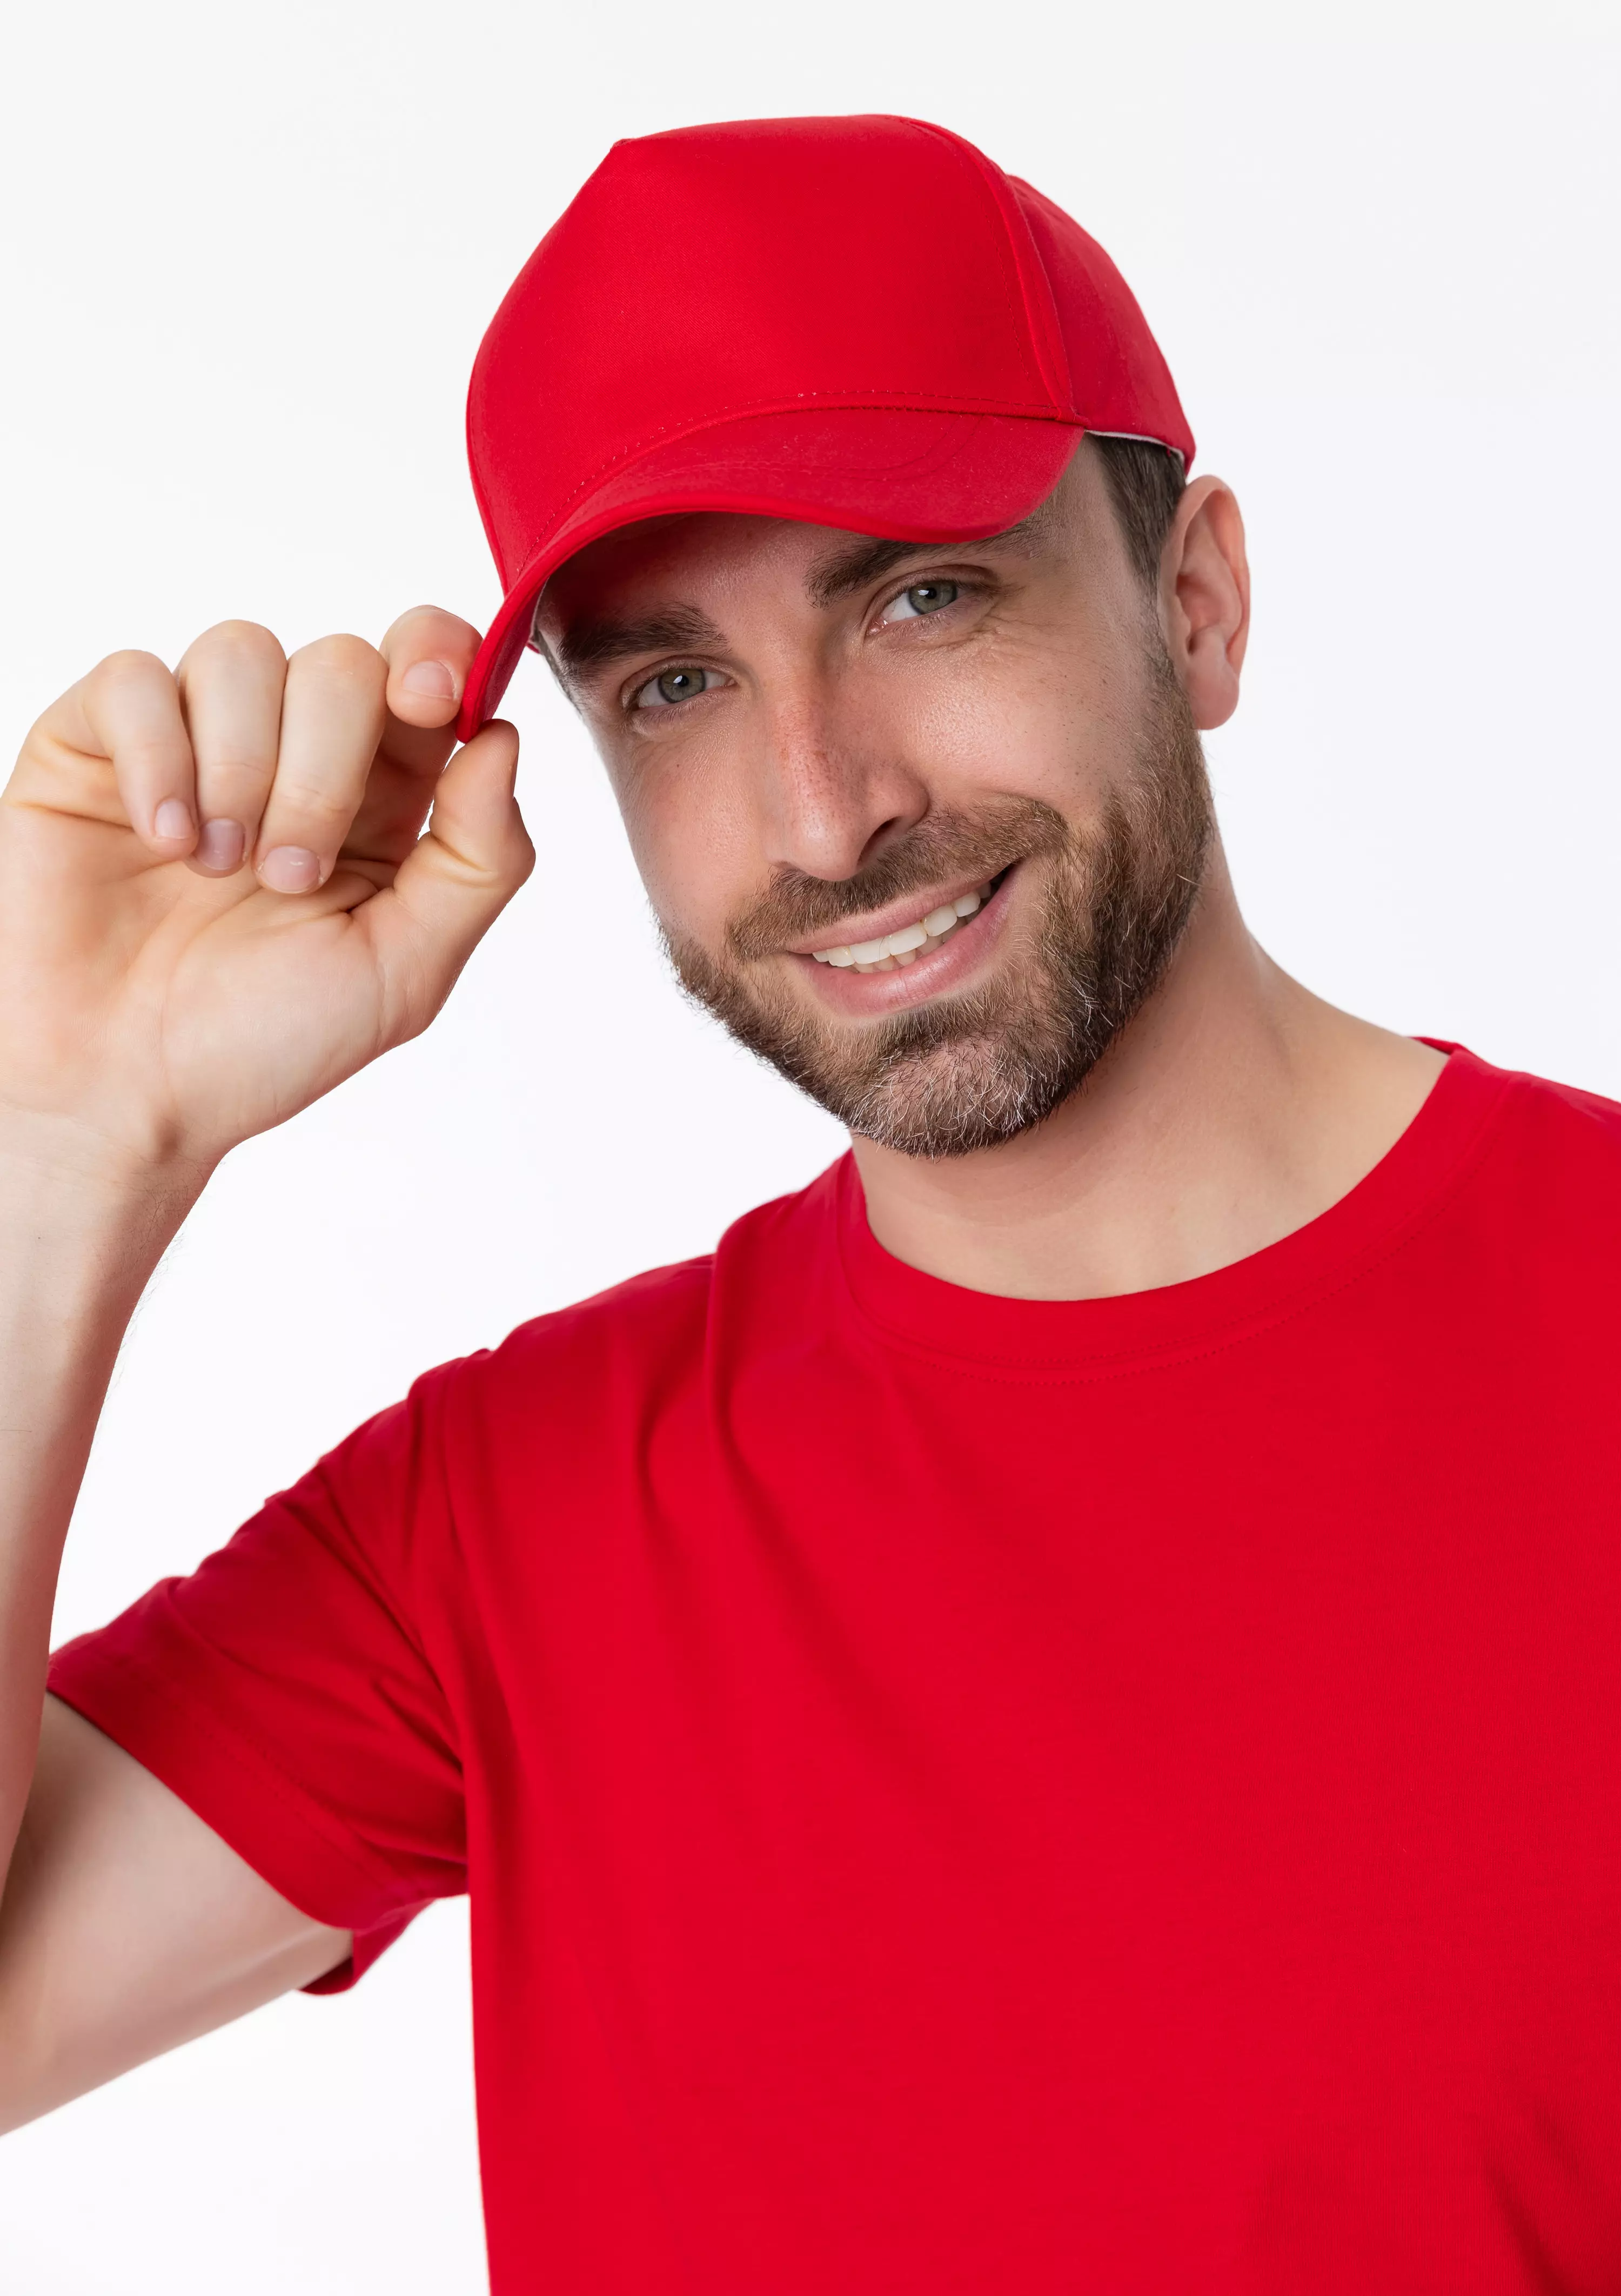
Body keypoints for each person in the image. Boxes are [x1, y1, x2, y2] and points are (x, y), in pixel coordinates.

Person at [1, 109, 1618, 2295]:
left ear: (1197, 603)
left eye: (923, 596)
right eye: (675, 683)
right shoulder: (506, 1525)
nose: (826, 812)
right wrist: (68, 1135)